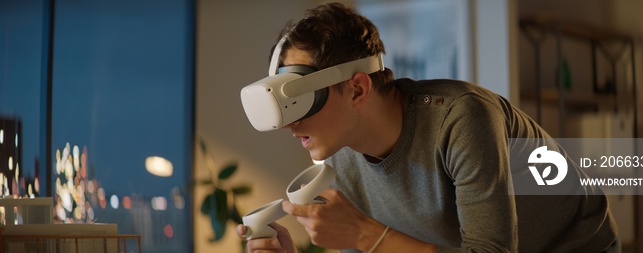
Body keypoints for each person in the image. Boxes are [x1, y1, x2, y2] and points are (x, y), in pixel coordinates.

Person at [237, 2, 618, 253]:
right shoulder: (344, 165)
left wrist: (364, 233)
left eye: (300, 102)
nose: (292, 123)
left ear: (356, 88)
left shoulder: (461, 119)